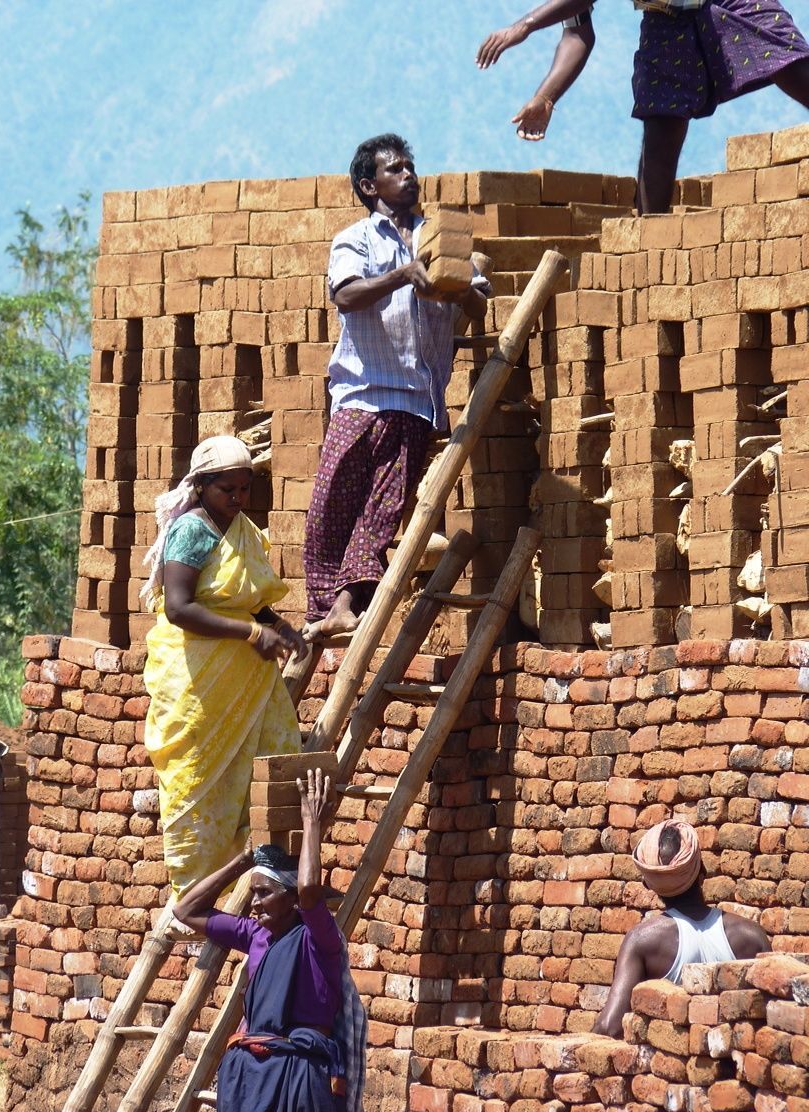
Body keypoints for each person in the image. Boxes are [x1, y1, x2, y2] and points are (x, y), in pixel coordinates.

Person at [302, 133, 491, 640]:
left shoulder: (444, 239)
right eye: (395, 169)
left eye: (411, 166)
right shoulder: (357, 240)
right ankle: (320, 609)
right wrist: (404, 275)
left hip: (413, 400)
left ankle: (344, 606)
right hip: (360, 395)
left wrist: (454, 284)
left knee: (379, 514)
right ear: (370, 185)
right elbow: (347, 295)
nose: (409, 174)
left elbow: (477, 304)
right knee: (328, 507)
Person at [173, 768, 367, 1112]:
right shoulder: (256, 936)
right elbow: (187, 910)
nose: (254, 904)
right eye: (254, 895)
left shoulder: (318, 937)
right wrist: (244, 862)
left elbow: (308, 892)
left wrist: (312, 821)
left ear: (289, 901)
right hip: (254, 1088)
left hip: (301, 1086)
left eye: (264, 893)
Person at [140, 435, 307, 900]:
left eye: (244, 490)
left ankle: (277, 874)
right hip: (200, 684)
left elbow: (246, 602)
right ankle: (194, 898)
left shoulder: (244, 532)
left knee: (277, 754)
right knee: (201, 787)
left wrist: (279, 626)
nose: (237, 499)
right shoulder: (192, 530)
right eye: (226, 490)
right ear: (200, 488)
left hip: (248, 679)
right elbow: (178, 607)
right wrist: (254, 635)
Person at [475, 1, 809, 214]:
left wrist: (525, 25)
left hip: (731, 1)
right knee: (659, 132)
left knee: (794, 67)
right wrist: (545, 97)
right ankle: (650, 259)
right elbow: (577, 33)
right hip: (664, 20)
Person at [591, 818, 768, 1037]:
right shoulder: (752, 935)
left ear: (648, 884)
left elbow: (611, 1026)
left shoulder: (643, 940)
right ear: (702, 870)